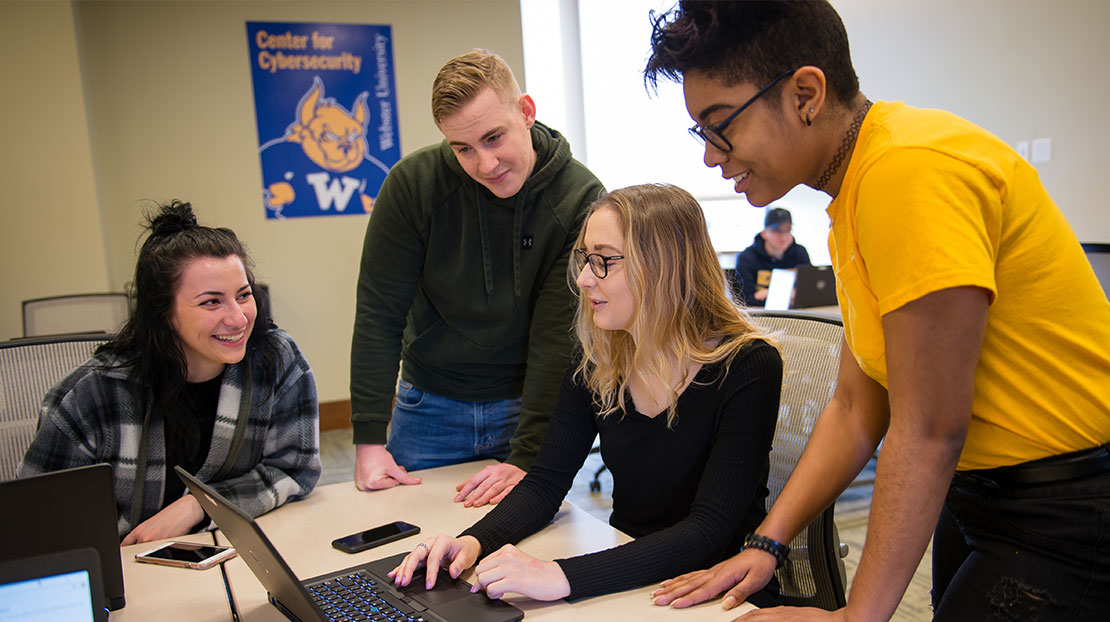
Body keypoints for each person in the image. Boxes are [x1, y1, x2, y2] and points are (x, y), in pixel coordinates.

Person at [643, 2, 1110, 621]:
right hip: (981, 493)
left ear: (806, 93)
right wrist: (767, 542)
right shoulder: (853, 194)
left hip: (1067, 508)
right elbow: (857, 405)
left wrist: (852, 620)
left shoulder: (907, 171)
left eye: (719, 124)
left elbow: (927, 430)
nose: (710, 155)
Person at [386, 183, 783, 605]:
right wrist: (472, 542)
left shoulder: (748, 365)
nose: (583, 278)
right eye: (584, 258)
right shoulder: (597, 358)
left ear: (664, 266)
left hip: (718, 593)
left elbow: (707, 530)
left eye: (603, 261)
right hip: (633, 576)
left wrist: (561, 576)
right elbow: (545, 482)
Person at [350, 49, 604, 507]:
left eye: (493, 138)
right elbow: (378, 312)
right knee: (414, 548)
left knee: (524, 554)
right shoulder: (413, 185)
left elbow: (556, 337)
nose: (485, 164)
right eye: (463, 148)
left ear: (526, 112)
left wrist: (528, 455)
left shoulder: (579, 197)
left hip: (527, 405)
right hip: (430, 404)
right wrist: (369, 440)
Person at [19, 201, 321, 545]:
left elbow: (294, 468)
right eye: (211, 302)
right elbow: (36, 519)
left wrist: (199, 505)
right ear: (164, 313)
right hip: (125, 571)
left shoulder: (276, 360)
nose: (238, 318)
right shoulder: (93, 394)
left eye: (244, 295)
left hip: (235, 554)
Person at [734, 207, 811, 306]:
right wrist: (790, 295)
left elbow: (808, 292)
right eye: (777, 231)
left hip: (797, 313)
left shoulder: (800, 252)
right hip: (761, 315)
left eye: (788, 230)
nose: (783, 236)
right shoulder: (746, 257)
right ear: (764, 233)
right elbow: (745, 300)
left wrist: (769, 293)